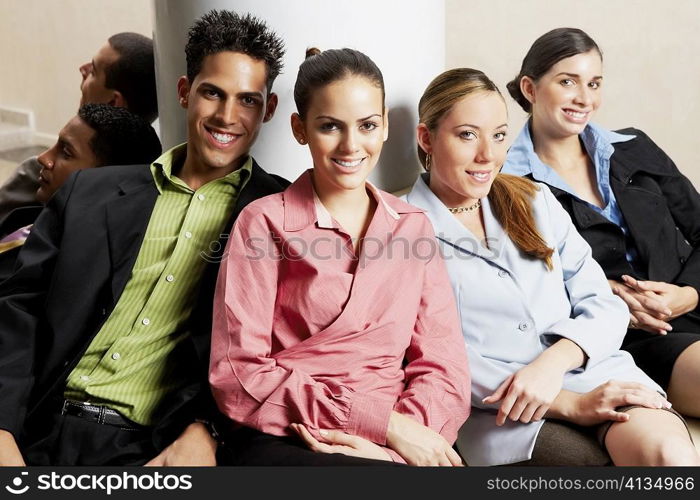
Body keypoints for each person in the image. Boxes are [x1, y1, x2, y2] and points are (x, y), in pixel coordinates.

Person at [0, 10, 287, 466]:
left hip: (152, 448)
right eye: (212, 93)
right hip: (34, 425)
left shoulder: (281, 214)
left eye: (247, 100)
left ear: (268, 110)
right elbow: (18, 310)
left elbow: (279, 350)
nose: (227, 117)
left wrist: (206, 429)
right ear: (183, 92)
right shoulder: (87, 193)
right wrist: (2, 429)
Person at [404, 67, 699, 466]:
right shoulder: (400, 230)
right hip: (505, 409)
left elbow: (603, 302)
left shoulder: (534, 200)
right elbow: (428, 356)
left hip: (591, 369)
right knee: (585, 466)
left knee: (669, 456)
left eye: (499, 135)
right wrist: (566, 401)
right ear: (426, 138)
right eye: (467, 135)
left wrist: (555, 362)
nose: (487, 156)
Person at [209, 48, 471, 466]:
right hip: (294, 432)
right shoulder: (263, 223)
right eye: (330, 126)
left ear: (384, 124)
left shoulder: (412, 225)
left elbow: (444, 366)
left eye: (367, 125)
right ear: (300, 128)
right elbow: (238, 375)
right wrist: (381, 425)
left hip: (407, 436)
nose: (351, 145)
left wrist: (400, 445)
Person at [502, 28, 700, 418]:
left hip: (691, 304)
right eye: (567, 82)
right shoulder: (508, 184)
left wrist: (689, 293)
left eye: (594, 83)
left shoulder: (634, 146)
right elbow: (517, 285)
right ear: (530, 88)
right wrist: (603, 292)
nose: (585, 98)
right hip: (627, 338)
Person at [0, 32, 158, 223]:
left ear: (113, 102)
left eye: (94, 70)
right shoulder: (152, 182)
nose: (82, 69)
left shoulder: (39, 175)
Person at [0, 104, 161, 281]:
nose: (43, 158)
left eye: (66, 153)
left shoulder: (64, 267)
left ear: (106, 177)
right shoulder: (30, 216)